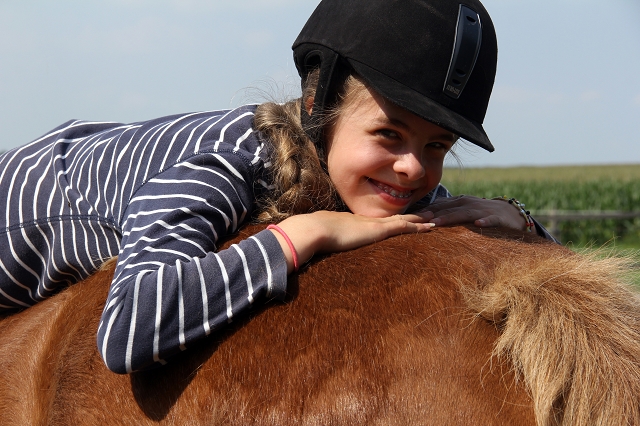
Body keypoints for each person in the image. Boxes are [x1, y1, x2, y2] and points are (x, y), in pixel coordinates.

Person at [0, 0, 556, 374]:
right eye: (389, 133)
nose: (413, 167)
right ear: (319, 108)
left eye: (437, 146)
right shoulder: (226, 163)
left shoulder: (382, 179)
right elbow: (127, 330)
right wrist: (303, 235)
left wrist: (524, 227)